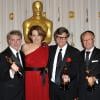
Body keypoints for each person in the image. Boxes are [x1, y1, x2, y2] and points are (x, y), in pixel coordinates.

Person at [48, 27, 80, 100]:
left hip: (67, 88)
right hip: (53, 88)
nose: (61, 39)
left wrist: (69, 77)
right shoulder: (50, 49)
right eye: (59, 37)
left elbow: (76, 70)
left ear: (67, 38)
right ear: (55, 37)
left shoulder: (75, 52)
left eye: (64, 37)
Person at [22, 25, 49, 100]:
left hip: (42, 77)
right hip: (29, 77)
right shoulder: (25, 47)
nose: (36, 38)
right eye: (34, 35)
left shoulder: (46, 47)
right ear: (30, 36)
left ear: (42, 36)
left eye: (39, 35)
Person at [0, 30, 24, 100]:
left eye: (18, 40)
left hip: (21, 93)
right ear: (9, 41)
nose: (16, 42)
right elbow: (1, 76)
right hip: (9, 93)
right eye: (13, 40)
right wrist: (11, 71)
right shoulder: (2, 55)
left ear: (21, 40)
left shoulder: (22, 54)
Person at [78, 31, 100, 100]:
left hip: (97, 92)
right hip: (82, 93)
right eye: (84, 40)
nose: (86, 42)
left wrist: (95, 78)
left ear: (93, 39)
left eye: (89, 39)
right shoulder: (78, 55)